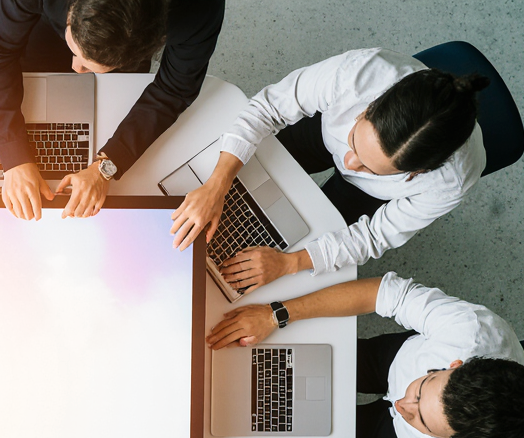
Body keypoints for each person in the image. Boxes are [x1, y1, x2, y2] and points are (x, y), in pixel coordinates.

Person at [206, 272, 524, 438]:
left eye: (421, 419)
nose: (401, 405)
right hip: (391, 361)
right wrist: (275, 314)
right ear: (455, 365)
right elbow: (384, 294)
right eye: (423, 386)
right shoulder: (470, 329)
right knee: (263, 377)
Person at [172, 48, 488, 294]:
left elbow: (374, 235)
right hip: (320, 135)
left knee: (307, 237)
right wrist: (218, 181)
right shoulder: (359, 74)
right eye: (354, 141)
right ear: (369, 106)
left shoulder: (450, 182)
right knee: (243, 189)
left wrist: (288, 263)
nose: (349, 164)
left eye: (370, 168)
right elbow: (268, 109)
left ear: (419, 172)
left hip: (366, 197)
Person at [0, 0, 226, 220]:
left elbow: (174, 89)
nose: (74, 68)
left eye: (89, 66)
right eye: (75, 53)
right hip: (44, 25)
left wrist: (107, 166)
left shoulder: (198, 9)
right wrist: (13, 155)